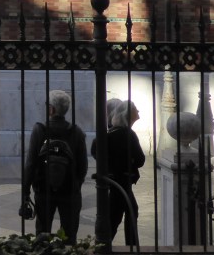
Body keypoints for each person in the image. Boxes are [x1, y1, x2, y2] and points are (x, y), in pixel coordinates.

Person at [22, 89, 88, 240]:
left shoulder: (40, 130)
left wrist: (26, 191)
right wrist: (76, 184)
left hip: (44, 189)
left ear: (51, 109)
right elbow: (83, 166)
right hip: (69, 190)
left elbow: (31, 163)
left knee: (43, 233)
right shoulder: (76, 132)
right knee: (69, 234)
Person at [95, 99, 145, 246]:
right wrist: (129, 163)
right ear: (128, 115)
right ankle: (110, 245)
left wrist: (110, 166)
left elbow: (95, 150)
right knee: (121, 213)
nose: (138, 112)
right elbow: (141, 160)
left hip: (114, 178)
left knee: (126, 211)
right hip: (123, 179)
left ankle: (111, 244)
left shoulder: (110, 133)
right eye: (136, 109)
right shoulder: (129, 134)